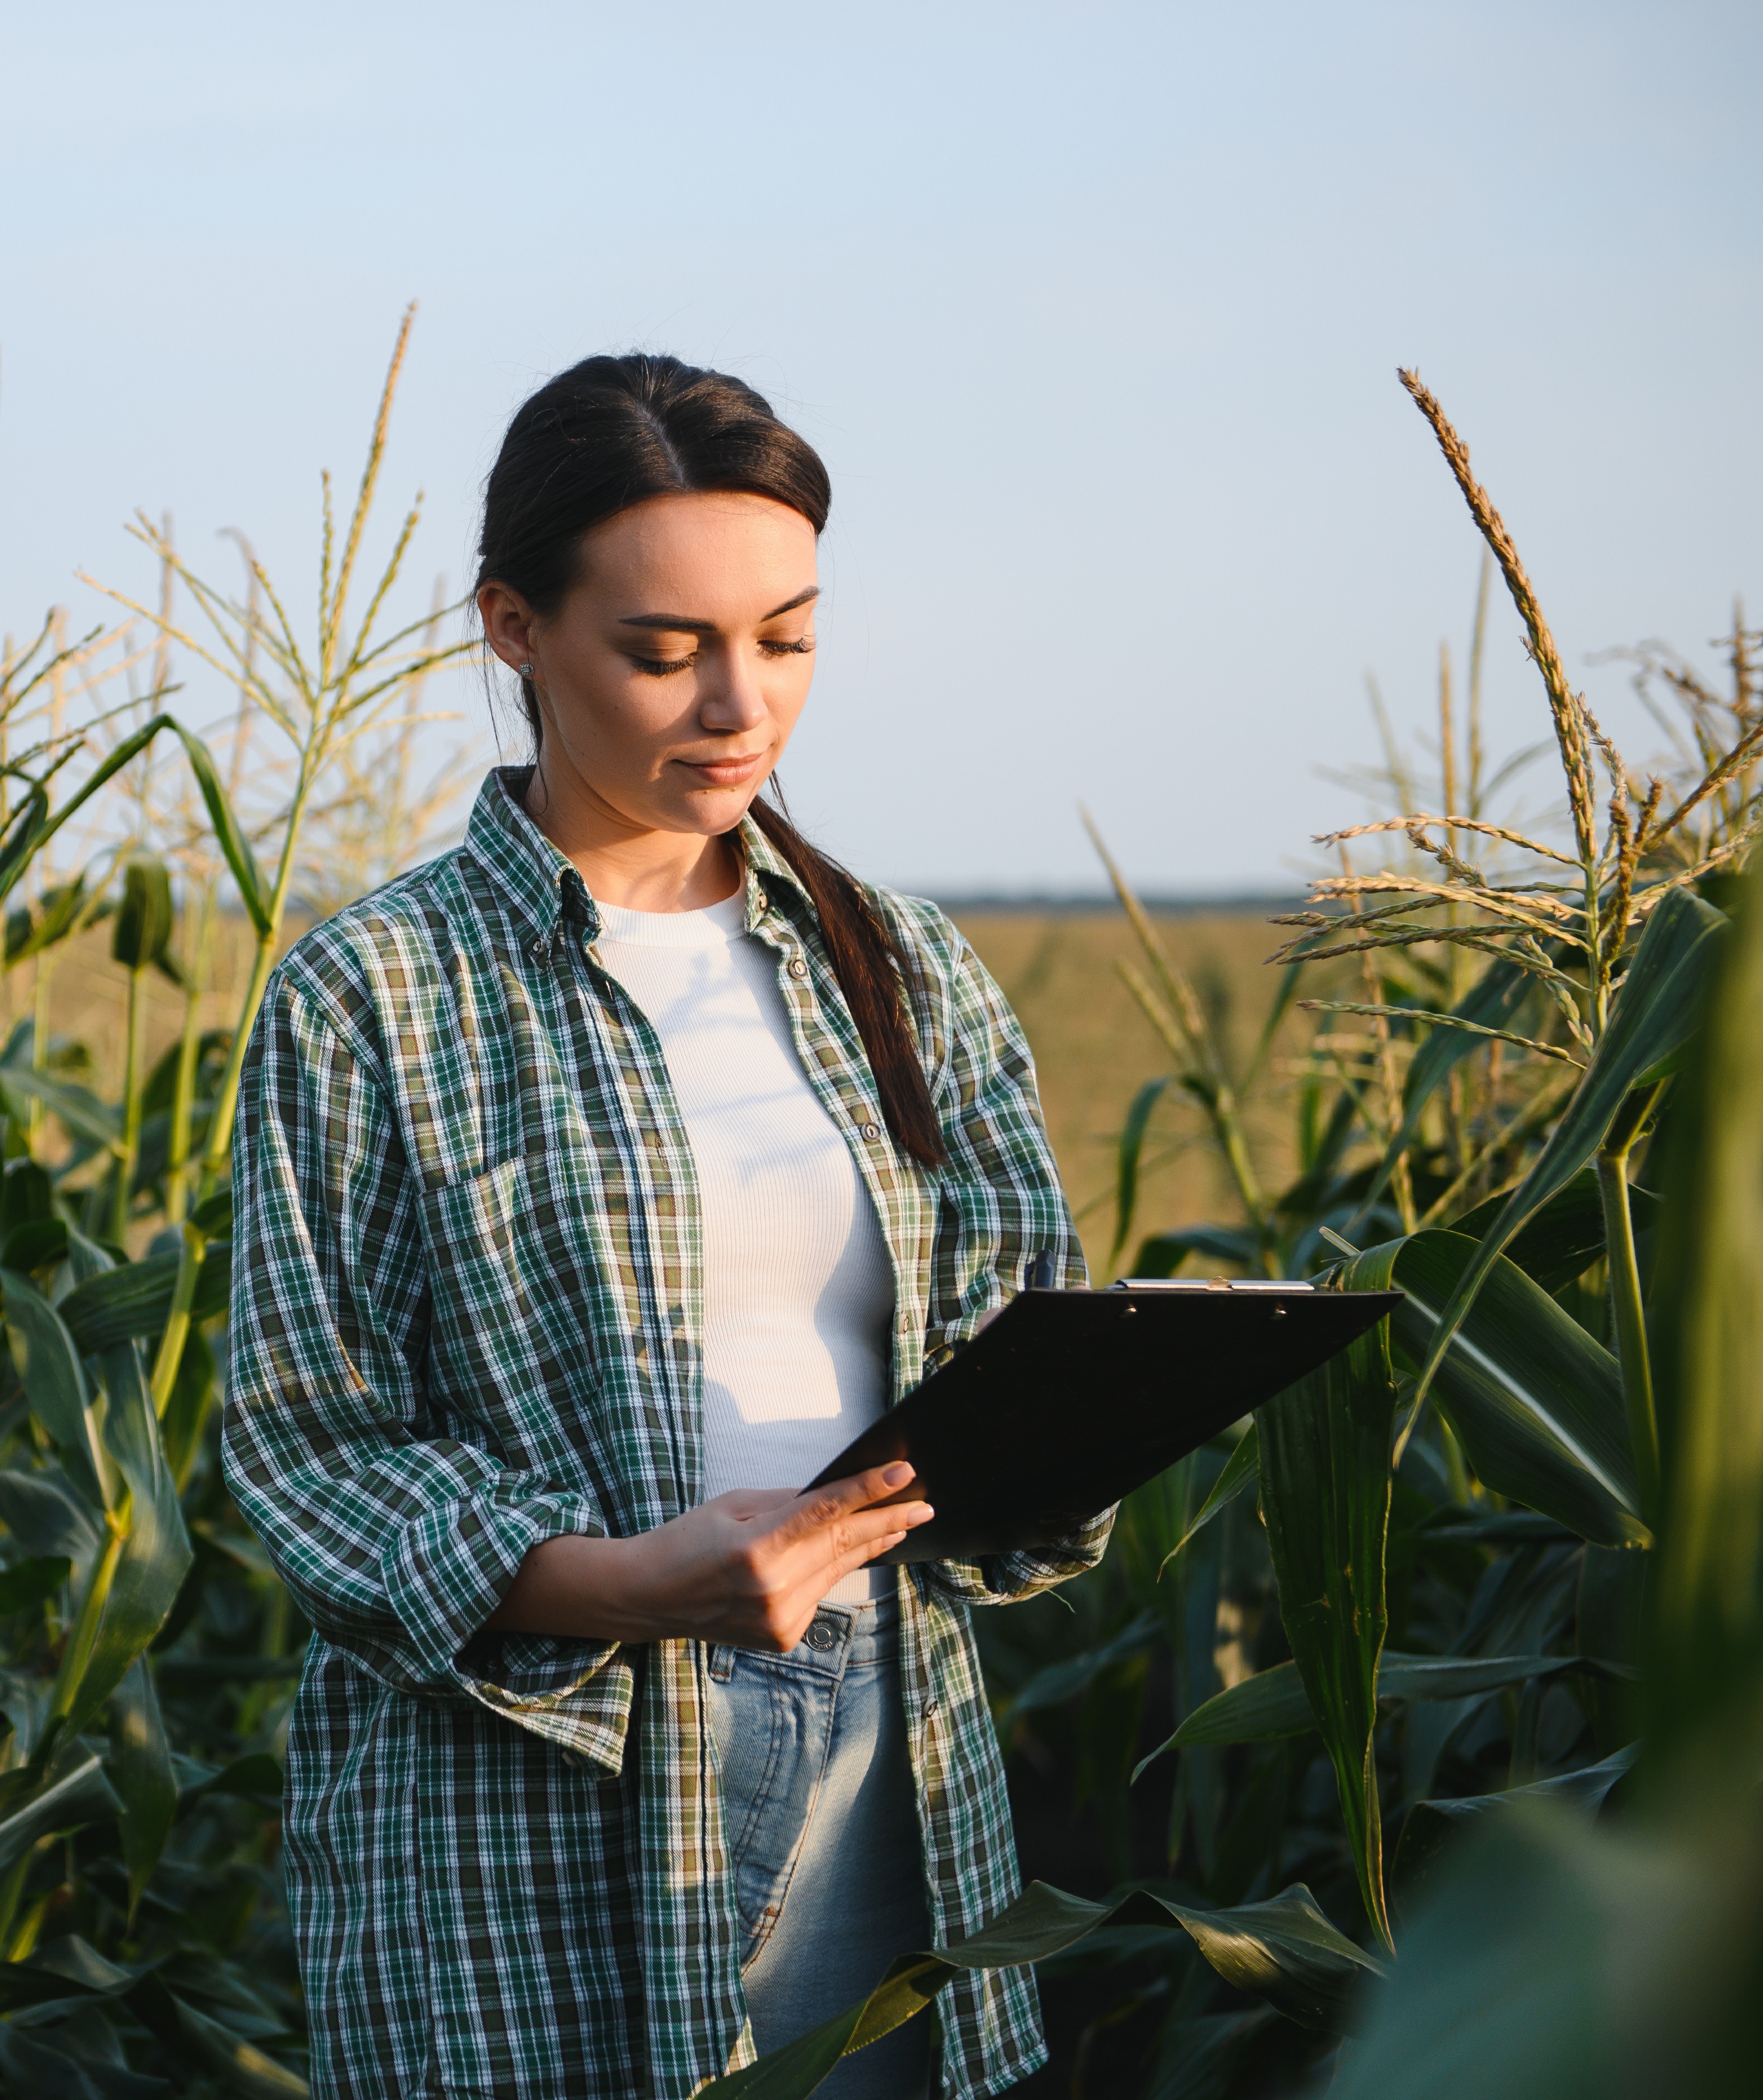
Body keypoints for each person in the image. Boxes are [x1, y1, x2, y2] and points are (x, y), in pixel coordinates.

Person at [221, 354, 1110, 2100]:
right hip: (533, 1766)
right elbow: (309, 1448)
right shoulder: (375, 991)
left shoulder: (907, 964)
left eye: (784, 637)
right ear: (513, 626)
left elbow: (1019, 1325)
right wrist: (636, 1584)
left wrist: (1097, 1408)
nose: (739, 703)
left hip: (890, 1727)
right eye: (663, 649)